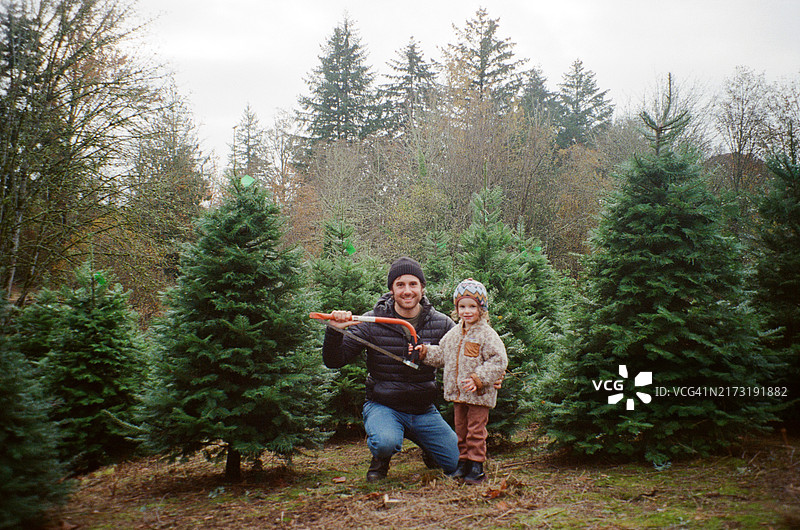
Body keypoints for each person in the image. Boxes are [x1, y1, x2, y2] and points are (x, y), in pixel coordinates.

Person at [322, 257, 460, 482]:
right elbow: (334, 361)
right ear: (392, 290)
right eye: (400, 285)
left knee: (457, 463)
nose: (407, 291)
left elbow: (463, 353)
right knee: (386, 442)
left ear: (422, 288)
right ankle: (381, 457)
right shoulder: (371, 321)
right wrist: (334, 332)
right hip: (384, 405)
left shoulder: (442, 323)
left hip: (423, 410)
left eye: (413, 284)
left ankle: (430, 448)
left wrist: (488, 374)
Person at [414, 278, 508, 484]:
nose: (467, 311)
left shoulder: (487, 334)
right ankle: (463, 463)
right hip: (459, 395)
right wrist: (425, 353)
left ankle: (476, 466)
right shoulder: (454, 334)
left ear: (481, 309)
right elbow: (442, 354)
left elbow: (499, 361)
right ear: (456, 309)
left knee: (475, 431)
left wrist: (479, 378)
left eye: (472, 306)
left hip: (478, 395)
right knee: (461, 429)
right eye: (462, 306)